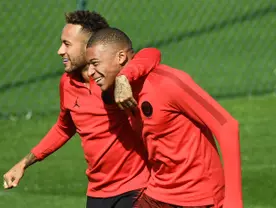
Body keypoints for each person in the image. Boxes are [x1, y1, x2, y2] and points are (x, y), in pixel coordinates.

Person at [3, 11, 162, 208]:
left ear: (89, 47)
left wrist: (123, 79)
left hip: (137, 188)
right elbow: (64, 127)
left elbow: (151, 53)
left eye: (67, 44)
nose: (60, 51)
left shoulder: (116, 77)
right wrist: (24, 163)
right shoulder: (67, 84)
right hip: (97, 193)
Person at [86, 27, 243, 208]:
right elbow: (150, 53)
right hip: (158, 193)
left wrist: (234, 200)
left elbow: (227, 126)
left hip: (199, 198)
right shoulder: (113, 92)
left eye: (95, 63)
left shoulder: (168, 83)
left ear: (120, 58)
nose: (90, 71)